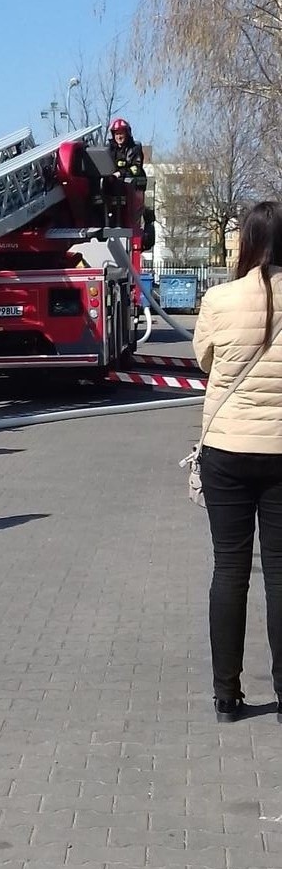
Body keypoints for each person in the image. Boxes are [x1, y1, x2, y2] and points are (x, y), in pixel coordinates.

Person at [194, 201, 282, 722]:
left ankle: (227, 696)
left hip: (226, 450)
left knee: (230, 568)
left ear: (245, 242)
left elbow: (204, 360)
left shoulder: (219, 298)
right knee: (280, 572)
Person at [107, 118, 147, 190]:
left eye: (121, 133)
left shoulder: (135, 148)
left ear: (127, 134)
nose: (119, 137)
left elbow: (136, 169)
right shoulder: (110, 149)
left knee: (123, 183)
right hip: (113, 181)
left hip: (133, 183)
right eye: (117, 134)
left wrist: (120, 173)